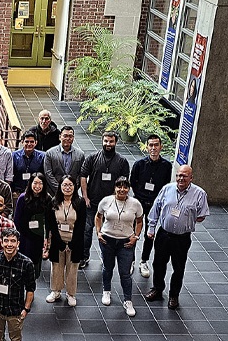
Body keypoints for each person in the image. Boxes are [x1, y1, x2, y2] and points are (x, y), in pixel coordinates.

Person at [144, 165, 209, 310]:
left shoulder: (199, 194)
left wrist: (187, 218)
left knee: (178, 267)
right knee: (158, 263)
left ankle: (174, 295)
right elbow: (156, 208)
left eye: (184, 176)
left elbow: (201, 216)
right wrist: (151, 227)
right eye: (179, 175)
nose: (181, 178)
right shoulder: (167, 189)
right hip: (164, 234)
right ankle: (157, 289)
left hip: (182, 238)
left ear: (191, 178)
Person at [79, 131, 130, 268]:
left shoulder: (122, 161)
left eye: (111, 141)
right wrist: (85, 196)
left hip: (112, 206)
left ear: (115, 143)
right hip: (92, 203)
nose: (108, 144)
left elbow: (124, 183)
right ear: (102, 141)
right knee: (86, 231)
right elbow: (83, 176)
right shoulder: (92, 158)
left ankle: (106, 258)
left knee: (108, 233)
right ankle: (84, 257)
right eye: (106, 141)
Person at [95, 177, 143, 317]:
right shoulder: (106, 201)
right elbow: (98, 217)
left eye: (125, 187)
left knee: (125, 272)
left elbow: (139, 221)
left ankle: (128, 300)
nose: (122, 190)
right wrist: (98, 232)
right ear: (114, 188)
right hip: (107, 240)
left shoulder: (135, 203)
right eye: (119, 187)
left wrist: (136, 236)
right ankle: (106, 291)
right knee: (107, 267)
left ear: (129, 189)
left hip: (126, 242)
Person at [129, 135, 172, 278]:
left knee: (150, 233)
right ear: (147, 147)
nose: (153, 148)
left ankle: (144, 260)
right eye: (151, 145)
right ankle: (131, 260)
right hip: (139, 203)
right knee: (134, 232)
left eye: (156, 145)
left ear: (161, 147)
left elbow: (166, 186)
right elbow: (133, 183)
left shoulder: (166, 166)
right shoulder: (139, 164)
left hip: (155, 204)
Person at [45, 175, 86, 306]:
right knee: (56, 267)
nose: (67, 188)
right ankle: (56, 291)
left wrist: (72, 243)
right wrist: (60, 242)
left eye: (70, 185)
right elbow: (50, 224)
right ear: (60, 187)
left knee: (72, 268)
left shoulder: (80, 202)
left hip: (75, 241)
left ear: (75, 187)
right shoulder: (53, 202)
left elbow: (81, 225)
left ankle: (71, 293)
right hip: (58, 240)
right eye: (64, 185)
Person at [13, 173, 48, 277]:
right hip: (24, 236)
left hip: (38, 237)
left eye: (40, 183)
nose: (37, 186)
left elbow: (48, 220)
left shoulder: (47, 199)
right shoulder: (22, 198)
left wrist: (46, 238)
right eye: (35, 183)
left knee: (34, 266)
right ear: (30, 183)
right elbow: (17, 220)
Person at [43, 126, 85, 195]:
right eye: (65, 136)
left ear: (73, 138)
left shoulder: (80, 154)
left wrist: (72, 188)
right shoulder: (50, 153)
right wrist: (60, 189)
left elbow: (80, 174)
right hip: (54, 193)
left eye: (70, 136)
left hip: (72, 193)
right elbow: (48, 174)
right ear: (60, 137)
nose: (68, 138)